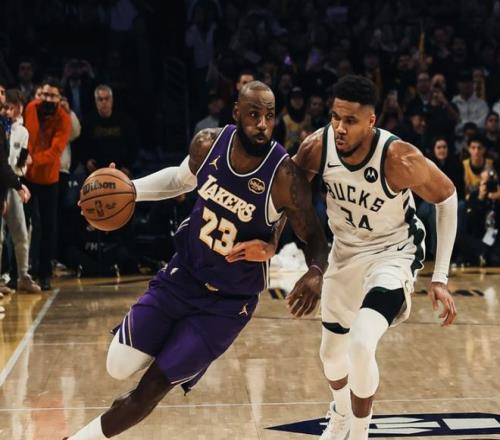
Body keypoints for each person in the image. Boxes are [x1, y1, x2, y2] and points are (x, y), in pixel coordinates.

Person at [64, 80, 329, 440]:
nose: (262, 124)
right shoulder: (208, 144)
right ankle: (145, 384)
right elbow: (178, 181)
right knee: (117, 365)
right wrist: (131, 189)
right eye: (253, 115)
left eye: (269, 116)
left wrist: (315, 271)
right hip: (182, 276)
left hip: (227, 304)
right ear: (236, 114)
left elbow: (314, 236)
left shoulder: (284, 176)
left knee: (152, 388)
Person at [290, 75, 457, 440]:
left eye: (350, 120)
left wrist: (440, 277)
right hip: (344, 254)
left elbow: (446, 196)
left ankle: (360, 433)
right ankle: (340, 413)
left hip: (392, 254)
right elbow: (290, 193)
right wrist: (311, 262)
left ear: (371, 121)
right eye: (335, 117)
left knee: (362, 343)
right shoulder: (317, 147)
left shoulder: (399, 158)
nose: (339, 128)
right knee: (331, 357)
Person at [23, 77, 72, 290]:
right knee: (23, 224)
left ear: (60, 98)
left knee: (48, 227)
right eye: (44, 94)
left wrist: (33, 160)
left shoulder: (64, 118)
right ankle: (20, 272)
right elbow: (28, 138)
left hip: (49, 179)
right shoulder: (31, 108)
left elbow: (55, 151)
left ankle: (45, 273)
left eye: (52, 95)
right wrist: (26, 161)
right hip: (27, 176)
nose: (47, 99)